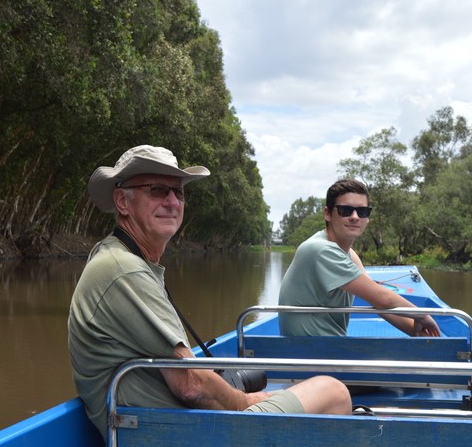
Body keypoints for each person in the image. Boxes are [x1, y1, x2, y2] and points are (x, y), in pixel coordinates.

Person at [68, 145, 351, 441]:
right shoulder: (125, 270)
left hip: (161, 427)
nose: (172, 201)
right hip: (179, 434)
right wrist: (248, 402)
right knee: (332, 391)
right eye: (157, 190)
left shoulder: (113, 255)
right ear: (122, 202)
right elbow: (191, 384)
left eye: (179, 192)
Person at [278, 179, 441, 338]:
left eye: (362, 212)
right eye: (345, 210)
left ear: (367, 218)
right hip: (310, 351)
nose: (355, 217)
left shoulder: (348, 253)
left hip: (327, 346)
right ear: (327, 214)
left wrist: (415, 331)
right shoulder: (320, 249)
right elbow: (383, 298)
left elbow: (376, 300)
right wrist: (422, 315)